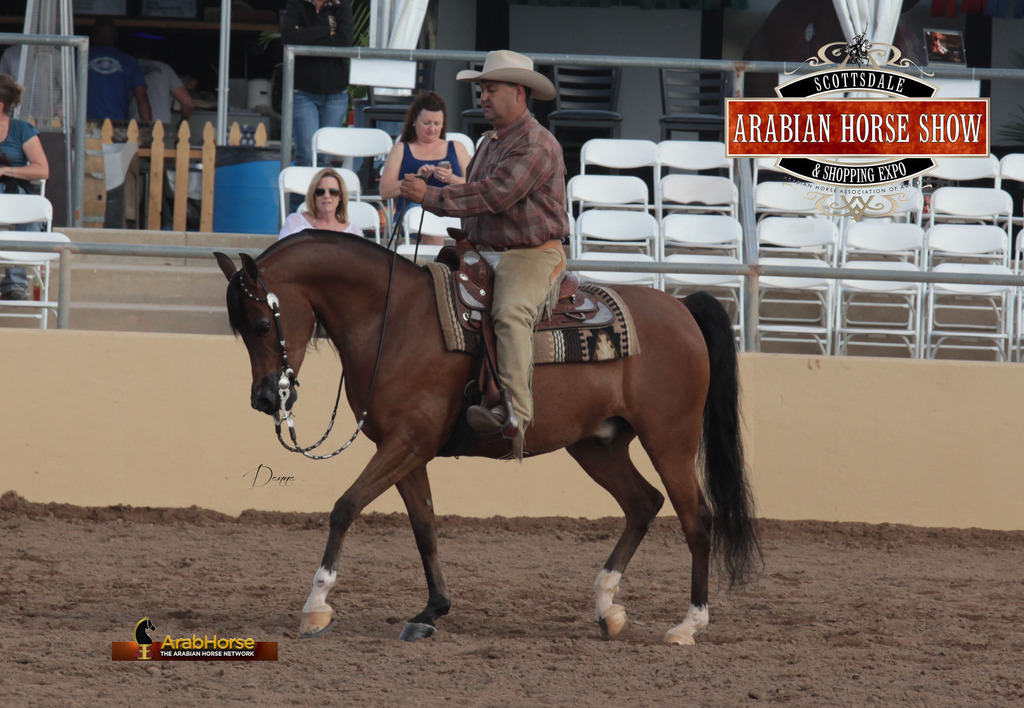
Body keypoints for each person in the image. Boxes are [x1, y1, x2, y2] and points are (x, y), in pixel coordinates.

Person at [400, 50, 567, 459]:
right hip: (483, 250)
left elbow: (497, 195)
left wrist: (432, 196)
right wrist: (442, 186)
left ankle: (516, 416)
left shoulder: (536, 143)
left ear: (518, 92)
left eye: (491, 89)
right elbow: (481, 190)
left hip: (530, 254)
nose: (484, 97)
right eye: (482, 90)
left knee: (509, 312)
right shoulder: (492, 141)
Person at [379, 91, 471, 239]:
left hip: (451, 211)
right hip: (413, 215)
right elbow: (385, 191)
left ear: (443, 124)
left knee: (437, 217)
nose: (432, 129)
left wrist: (451, 179)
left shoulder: (457, 147)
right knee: (430, 217)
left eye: (437, 124)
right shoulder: (401, 149)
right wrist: (416, 179)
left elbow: (474, 186)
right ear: (415, 120)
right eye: (426, 123)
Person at [281, 0, 354, 168]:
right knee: (306, 154)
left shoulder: (342, 4)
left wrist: (305, 34)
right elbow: (288, 37)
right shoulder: (297, 3)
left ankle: (320, 187)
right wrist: (327, 31)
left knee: (324, 157)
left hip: (336, 92)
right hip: (303, 91)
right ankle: (301, 187)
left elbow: (345, 41)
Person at [0, 73, 49, 301]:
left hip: (13, 192)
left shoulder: (21, 130)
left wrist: (5, 171)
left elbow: (42, 170)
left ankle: (15, 284)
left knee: (31, 210)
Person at [87, 18, 152, 123]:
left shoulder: (79, 58)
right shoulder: (129, 62)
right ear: (116, 35)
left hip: (85, 124)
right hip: (117, 124)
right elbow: (142, 97)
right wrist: (148, 127)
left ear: (93, 34)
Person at [279, 167, 362, 240]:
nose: (326, 196)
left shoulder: (353, 231)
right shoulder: (294, 222)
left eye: (333, 192)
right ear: (313, 195)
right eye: (320, 191)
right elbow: (282, 252)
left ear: (340, 196)